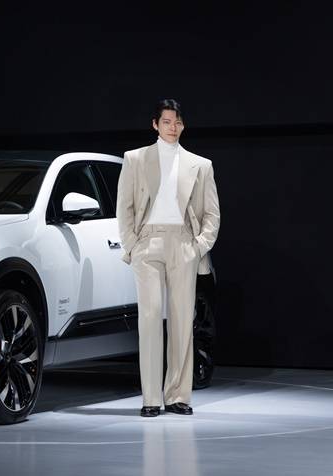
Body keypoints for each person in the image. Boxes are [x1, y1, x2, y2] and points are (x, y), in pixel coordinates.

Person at [116, 99, 220, 417]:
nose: (172, 127)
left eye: (177, 122)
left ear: (183, 125)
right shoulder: (134, 159)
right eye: (166, 122)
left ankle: (177, 396)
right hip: (147, 243)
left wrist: (198, 247)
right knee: (149, 319)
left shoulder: (201, 165)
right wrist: (132, 245)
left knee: (182, 321)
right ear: (155, 124)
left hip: (183, 243)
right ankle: (151, 398)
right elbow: (124, 207)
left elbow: (212, 215)